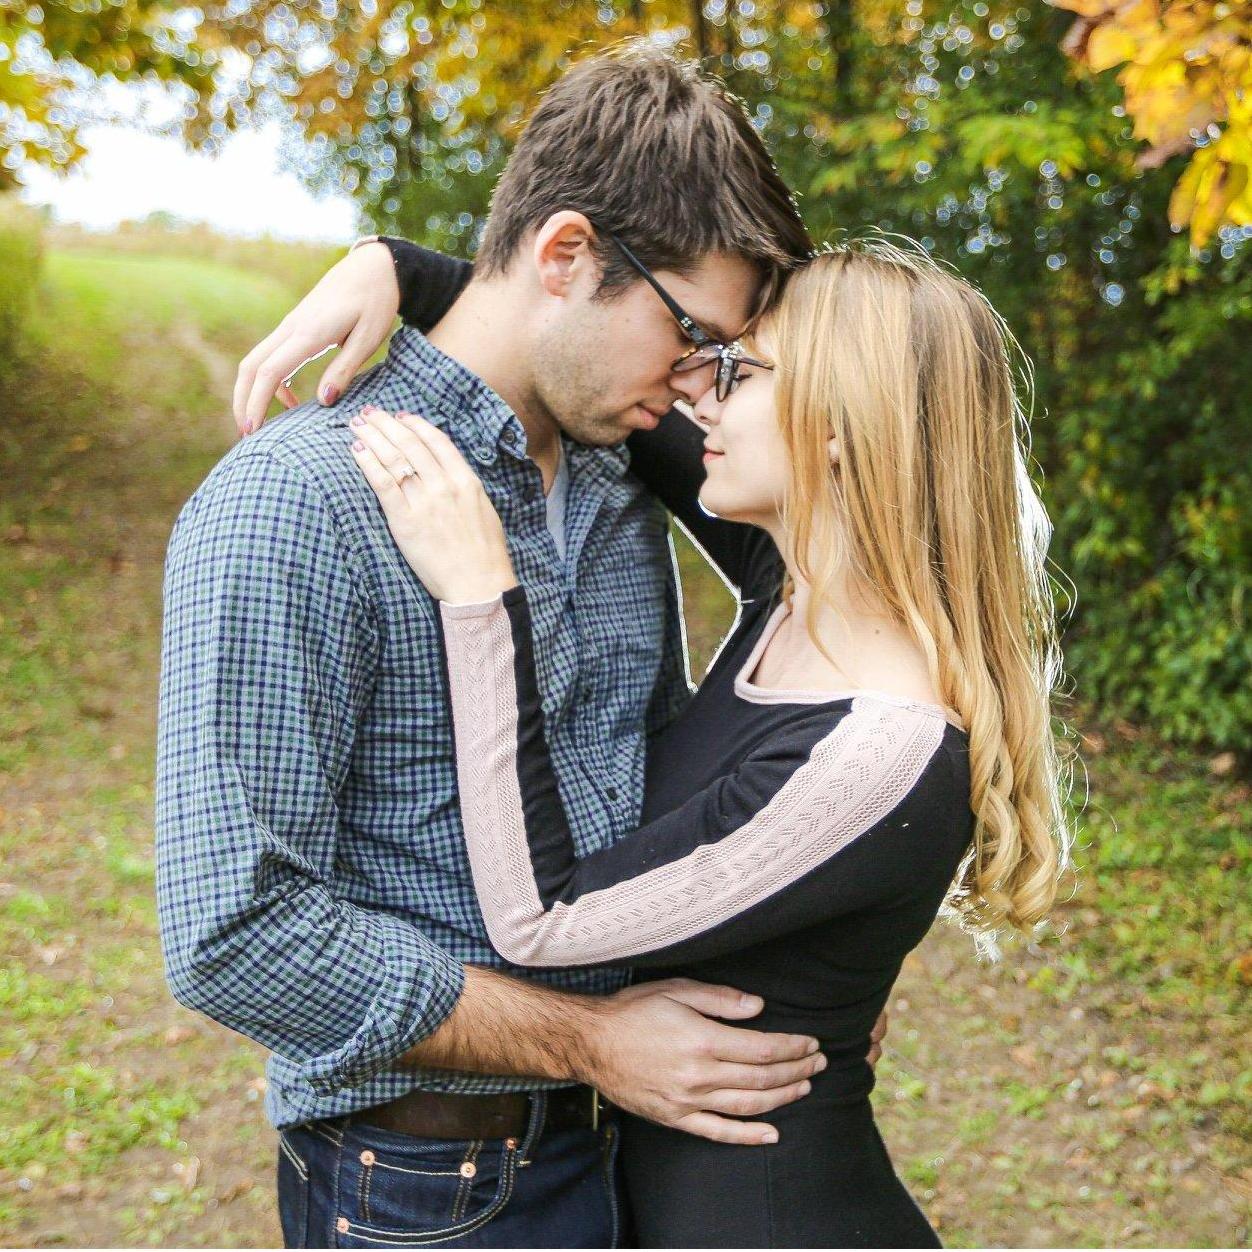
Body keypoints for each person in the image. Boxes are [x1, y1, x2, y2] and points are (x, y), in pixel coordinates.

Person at [156, 41, 859, 1251]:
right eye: (689, 333)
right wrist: (588, 1038)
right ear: (567, 255)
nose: (700, 389)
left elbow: (659, 787)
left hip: (629, 1147)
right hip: (425, 1190)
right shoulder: (297, 505)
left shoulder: (614, 485)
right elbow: (236, 932)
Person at [238, 234, 1070, 1246]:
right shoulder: (797, 594)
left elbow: (539, 916)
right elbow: (589, 376)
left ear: (842, 427)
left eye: (742, 372)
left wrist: (479, 595)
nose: (700, 398)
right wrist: (403, 272)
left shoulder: (875, 751)